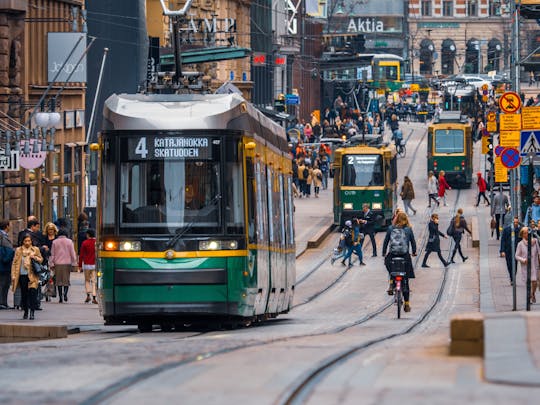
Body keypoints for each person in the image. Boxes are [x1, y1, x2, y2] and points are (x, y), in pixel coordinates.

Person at [382, 211, 417, 312]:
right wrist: (414, 252)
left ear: (396, 219)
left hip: (393, 255)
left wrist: (384, 252)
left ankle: (392, 282)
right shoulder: (409, 230)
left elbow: (386, 241)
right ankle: (407, 304)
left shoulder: (390, 229)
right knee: (405, 281)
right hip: (405, 256)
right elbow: (413, 242)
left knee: (388, 263)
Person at [11, 234, 43, 320]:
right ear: (23, 241)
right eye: (26, 241)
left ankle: (32, 312)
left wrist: (35, 257)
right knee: (24, 295)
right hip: (22, 275)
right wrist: (13, 275)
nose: (27, 242)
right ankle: (25, 311)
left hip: (32, 276)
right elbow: (14, 263)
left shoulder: (35, 249)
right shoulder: (18, 250)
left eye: (29, 241)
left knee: (33, 294)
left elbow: (41, 259)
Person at [49, 229, 77, 303]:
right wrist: (74, 262)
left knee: (58, 281)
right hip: (67, 263)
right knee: (66, 280)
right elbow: (72, 253)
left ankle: (60, 297)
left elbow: (52, 254)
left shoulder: (54, 242)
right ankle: (65, 294)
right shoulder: (70, 242)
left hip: (57, 264)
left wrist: (51, 263)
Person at [515, 227, 539, 303]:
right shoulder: (520, 244)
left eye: (527, 233)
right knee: (528, 283)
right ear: (522, 234)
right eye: (524, 233)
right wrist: (524, 260)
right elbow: (516, 256)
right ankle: (529, 297)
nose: (526, 234)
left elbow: (539, 252)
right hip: (526, 266)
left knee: (535, 281)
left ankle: (532, 294)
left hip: (534, 264)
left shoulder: (535, 242)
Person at [500, 216, 522, 284]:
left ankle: (513, 278)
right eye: (514, 222)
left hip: (516, 250)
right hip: (508, 250)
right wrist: (502, 250)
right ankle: (511, 276)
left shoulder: (519, 230)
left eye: (516, 222)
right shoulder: (506, 230)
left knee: (515, 265)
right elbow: (503, 240)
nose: (515, 223)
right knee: (509, 264)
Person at [79, 229, 98, 304]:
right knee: (94, 281)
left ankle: (88, 295)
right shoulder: (97, 243)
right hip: (95, 264)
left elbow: (81, 255)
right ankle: (94, 297)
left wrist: (80, 265)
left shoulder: (84, 243)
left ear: (88, 235)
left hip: (87, 265)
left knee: (87, 280)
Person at [0, 220, 15, 309]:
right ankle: (2, 303)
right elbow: (7, 249)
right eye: (10, 225)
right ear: (7, 226)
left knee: (5, 284)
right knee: (3, 284)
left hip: (5, 265)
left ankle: (4, 302)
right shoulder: (2, 236)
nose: (10, 227)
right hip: (3, 265)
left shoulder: (4, 236)